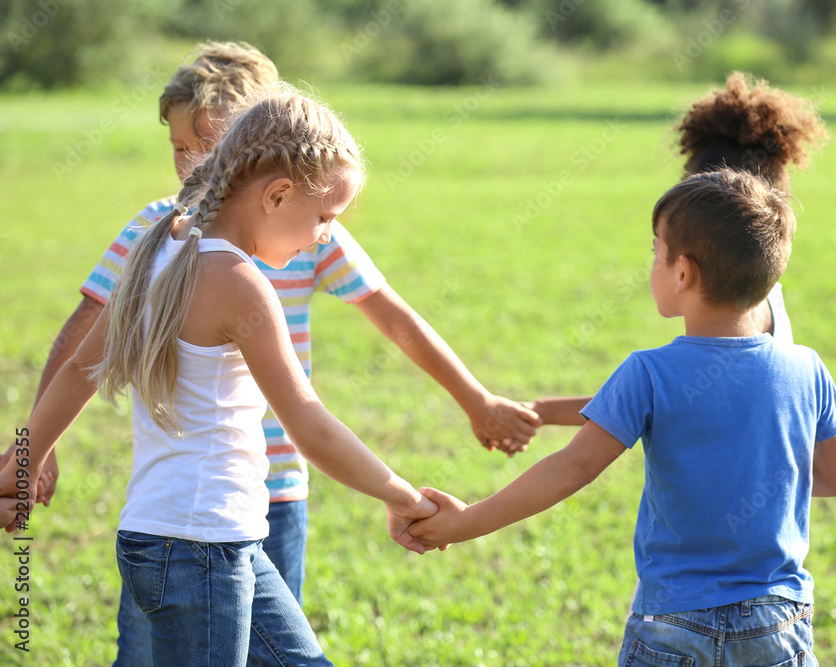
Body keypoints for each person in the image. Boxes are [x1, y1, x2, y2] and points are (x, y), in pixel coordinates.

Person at [16, 40, 539, 665]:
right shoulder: (240, 284)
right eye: (325, 217)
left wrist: (24, 461)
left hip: (198, 538)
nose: (324, 235)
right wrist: (403, 497)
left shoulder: (161, 246)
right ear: (277, 195)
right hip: (199, 547)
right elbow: (309, 425)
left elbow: (80, 369)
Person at [409, 169, 836, 666]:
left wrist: (465, 523)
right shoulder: (807, 368)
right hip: (777, 622)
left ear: (682, 273)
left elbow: (572, 467)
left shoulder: (648, 371)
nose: (653, 265)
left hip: (673, 623)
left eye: (656, 252)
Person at [524, 71, 828, 426]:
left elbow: (654, 399)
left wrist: (540, 411)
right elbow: (660, 397)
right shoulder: (756, 293)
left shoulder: (742, 316)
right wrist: (541, 410)